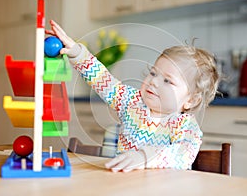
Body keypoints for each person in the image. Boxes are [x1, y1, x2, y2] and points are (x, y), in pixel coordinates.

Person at [46, 20, 219, 173]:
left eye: (168, 81)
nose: (154, 82)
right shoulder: (132, 102)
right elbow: (103, 80)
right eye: (153, 73)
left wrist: (145, 157)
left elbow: (183, 154)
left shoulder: (186, 126)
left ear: (191, 100)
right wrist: (77, 53)